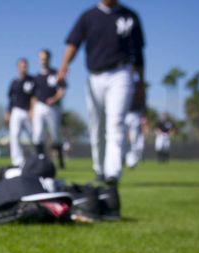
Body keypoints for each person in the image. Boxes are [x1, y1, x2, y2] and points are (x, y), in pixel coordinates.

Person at [58, 0, 145, 189]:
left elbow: (138, 52)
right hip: (94, 76)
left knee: (116, 123)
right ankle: (99, 168)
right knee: (97, 126)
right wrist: (64, 66)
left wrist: (141, 82)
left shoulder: (130, 16)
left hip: (121, 73)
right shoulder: (88, 16)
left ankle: (112, 173)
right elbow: (73, 44)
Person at [32, 49, 67, 169]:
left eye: (45, 58)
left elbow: (62, 90)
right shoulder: (37, 77)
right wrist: (32, 110)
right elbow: (33, 96)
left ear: (49, 59)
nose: (43, 61)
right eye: (41, 58)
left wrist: (54, 98)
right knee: (38, 134)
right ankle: (40, 161)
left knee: (55, 135)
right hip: (39, 106)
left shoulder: (55, 73)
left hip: (52, 108)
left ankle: (61, 161)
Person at [4, 58, 35, 167]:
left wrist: (32, 110)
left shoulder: (32, 80)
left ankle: (36, 159)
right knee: (14, 135)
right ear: (17, 67)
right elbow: (11, 99)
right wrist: (8, 112)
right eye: (21, 66)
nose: (23, 67)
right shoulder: (14, 82)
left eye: (25, 65)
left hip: (28, 111)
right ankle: (17, 161)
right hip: (16, 111)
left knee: (34, 136)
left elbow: (34, 97)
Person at [125, 86, 147, 168]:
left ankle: (132, 160)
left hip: (135, 116)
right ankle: (125, 159)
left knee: (134, 141)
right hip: (125, 115)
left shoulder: (140, 95)